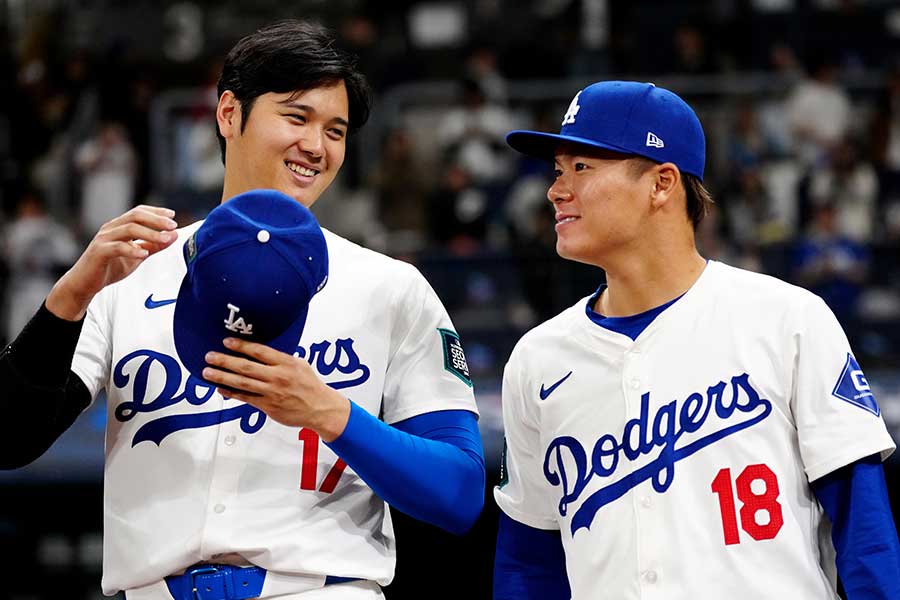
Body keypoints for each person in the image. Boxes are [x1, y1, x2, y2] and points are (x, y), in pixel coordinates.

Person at [0, 20, 485, 600]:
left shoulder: (390, 286)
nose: (317, 145)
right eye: (297, 116)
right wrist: (69, 297)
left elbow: (458, 493)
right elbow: (8, 440)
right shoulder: (133, 273)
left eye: (336, 129)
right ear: (229, 114)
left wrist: (332, 414)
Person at [492, 81, 900, 599]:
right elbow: (528, 563)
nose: (557, 190)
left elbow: (866, 538)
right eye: (557, 170)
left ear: (662, 183)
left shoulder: (787, 319)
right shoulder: (537, 359)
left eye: (582, 168)